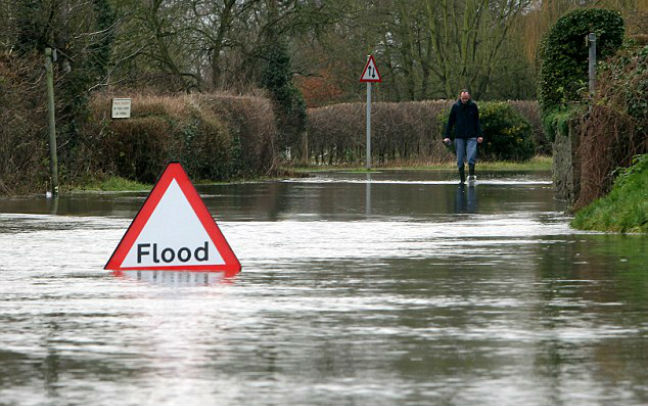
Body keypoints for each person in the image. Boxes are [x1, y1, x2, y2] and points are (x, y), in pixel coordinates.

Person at [443, 89, 483, 184]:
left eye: (466, 98)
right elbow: (450, 122)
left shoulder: (473, 106)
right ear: (460, 97)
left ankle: (471, 176)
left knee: (471, 158)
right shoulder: (455, 107)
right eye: (463, 98)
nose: (464, 100)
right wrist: (447, 136)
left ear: (469, 97)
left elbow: (477, 121)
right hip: (459, 136)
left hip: (471, 136)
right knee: (460, 159)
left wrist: (480, 135)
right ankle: (462, 180)